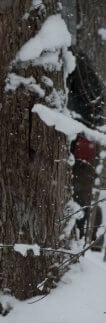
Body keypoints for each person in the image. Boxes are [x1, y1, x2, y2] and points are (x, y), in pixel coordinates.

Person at [67, 46, 105, 246]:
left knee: (82, 191)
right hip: (67, 135)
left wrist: (85, 135)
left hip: (83, 136)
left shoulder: (76, 62)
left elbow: (95, 103)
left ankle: (89, 242)